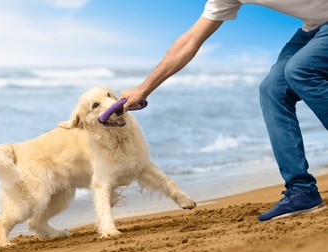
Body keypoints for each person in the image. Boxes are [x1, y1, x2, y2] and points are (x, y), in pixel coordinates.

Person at [121, 0, 328, 221]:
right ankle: (302, 190)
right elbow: (189, 41)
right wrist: (144, 89)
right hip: (314, 29)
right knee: (272, 89)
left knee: (300, 70)